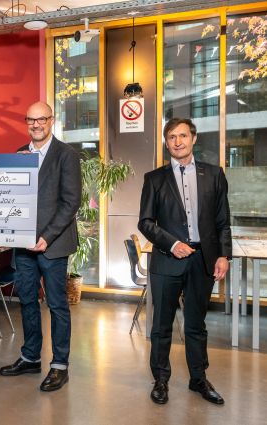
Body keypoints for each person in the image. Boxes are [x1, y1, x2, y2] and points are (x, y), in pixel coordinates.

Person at [138, 117, 231, 405]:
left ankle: (198, 379)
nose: (177, 142)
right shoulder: (154, 179)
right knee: (161, 325)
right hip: (167, 260)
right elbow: (145, 222)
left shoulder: (214, 175)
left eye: (182, 136)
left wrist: (223, 255)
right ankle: (160, 380)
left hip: (203, 260)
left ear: (193, 139)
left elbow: (222, 221)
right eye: (171, 137)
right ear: (166, 143)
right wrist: (172, 243)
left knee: (196, 324)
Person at [0, 101, 81, 392]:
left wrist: (47, 236)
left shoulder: (66, 155)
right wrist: (15, 171)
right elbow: (11, 197)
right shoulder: (20, 154)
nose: (36, 124)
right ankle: (30, 357)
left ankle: (59, 366)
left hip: (52, 245)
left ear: (51, 120)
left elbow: (71, 202)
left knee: (57, 304)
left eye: (41, 119)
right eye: (31, 120)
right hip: (23, 244)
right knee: (27, 301)